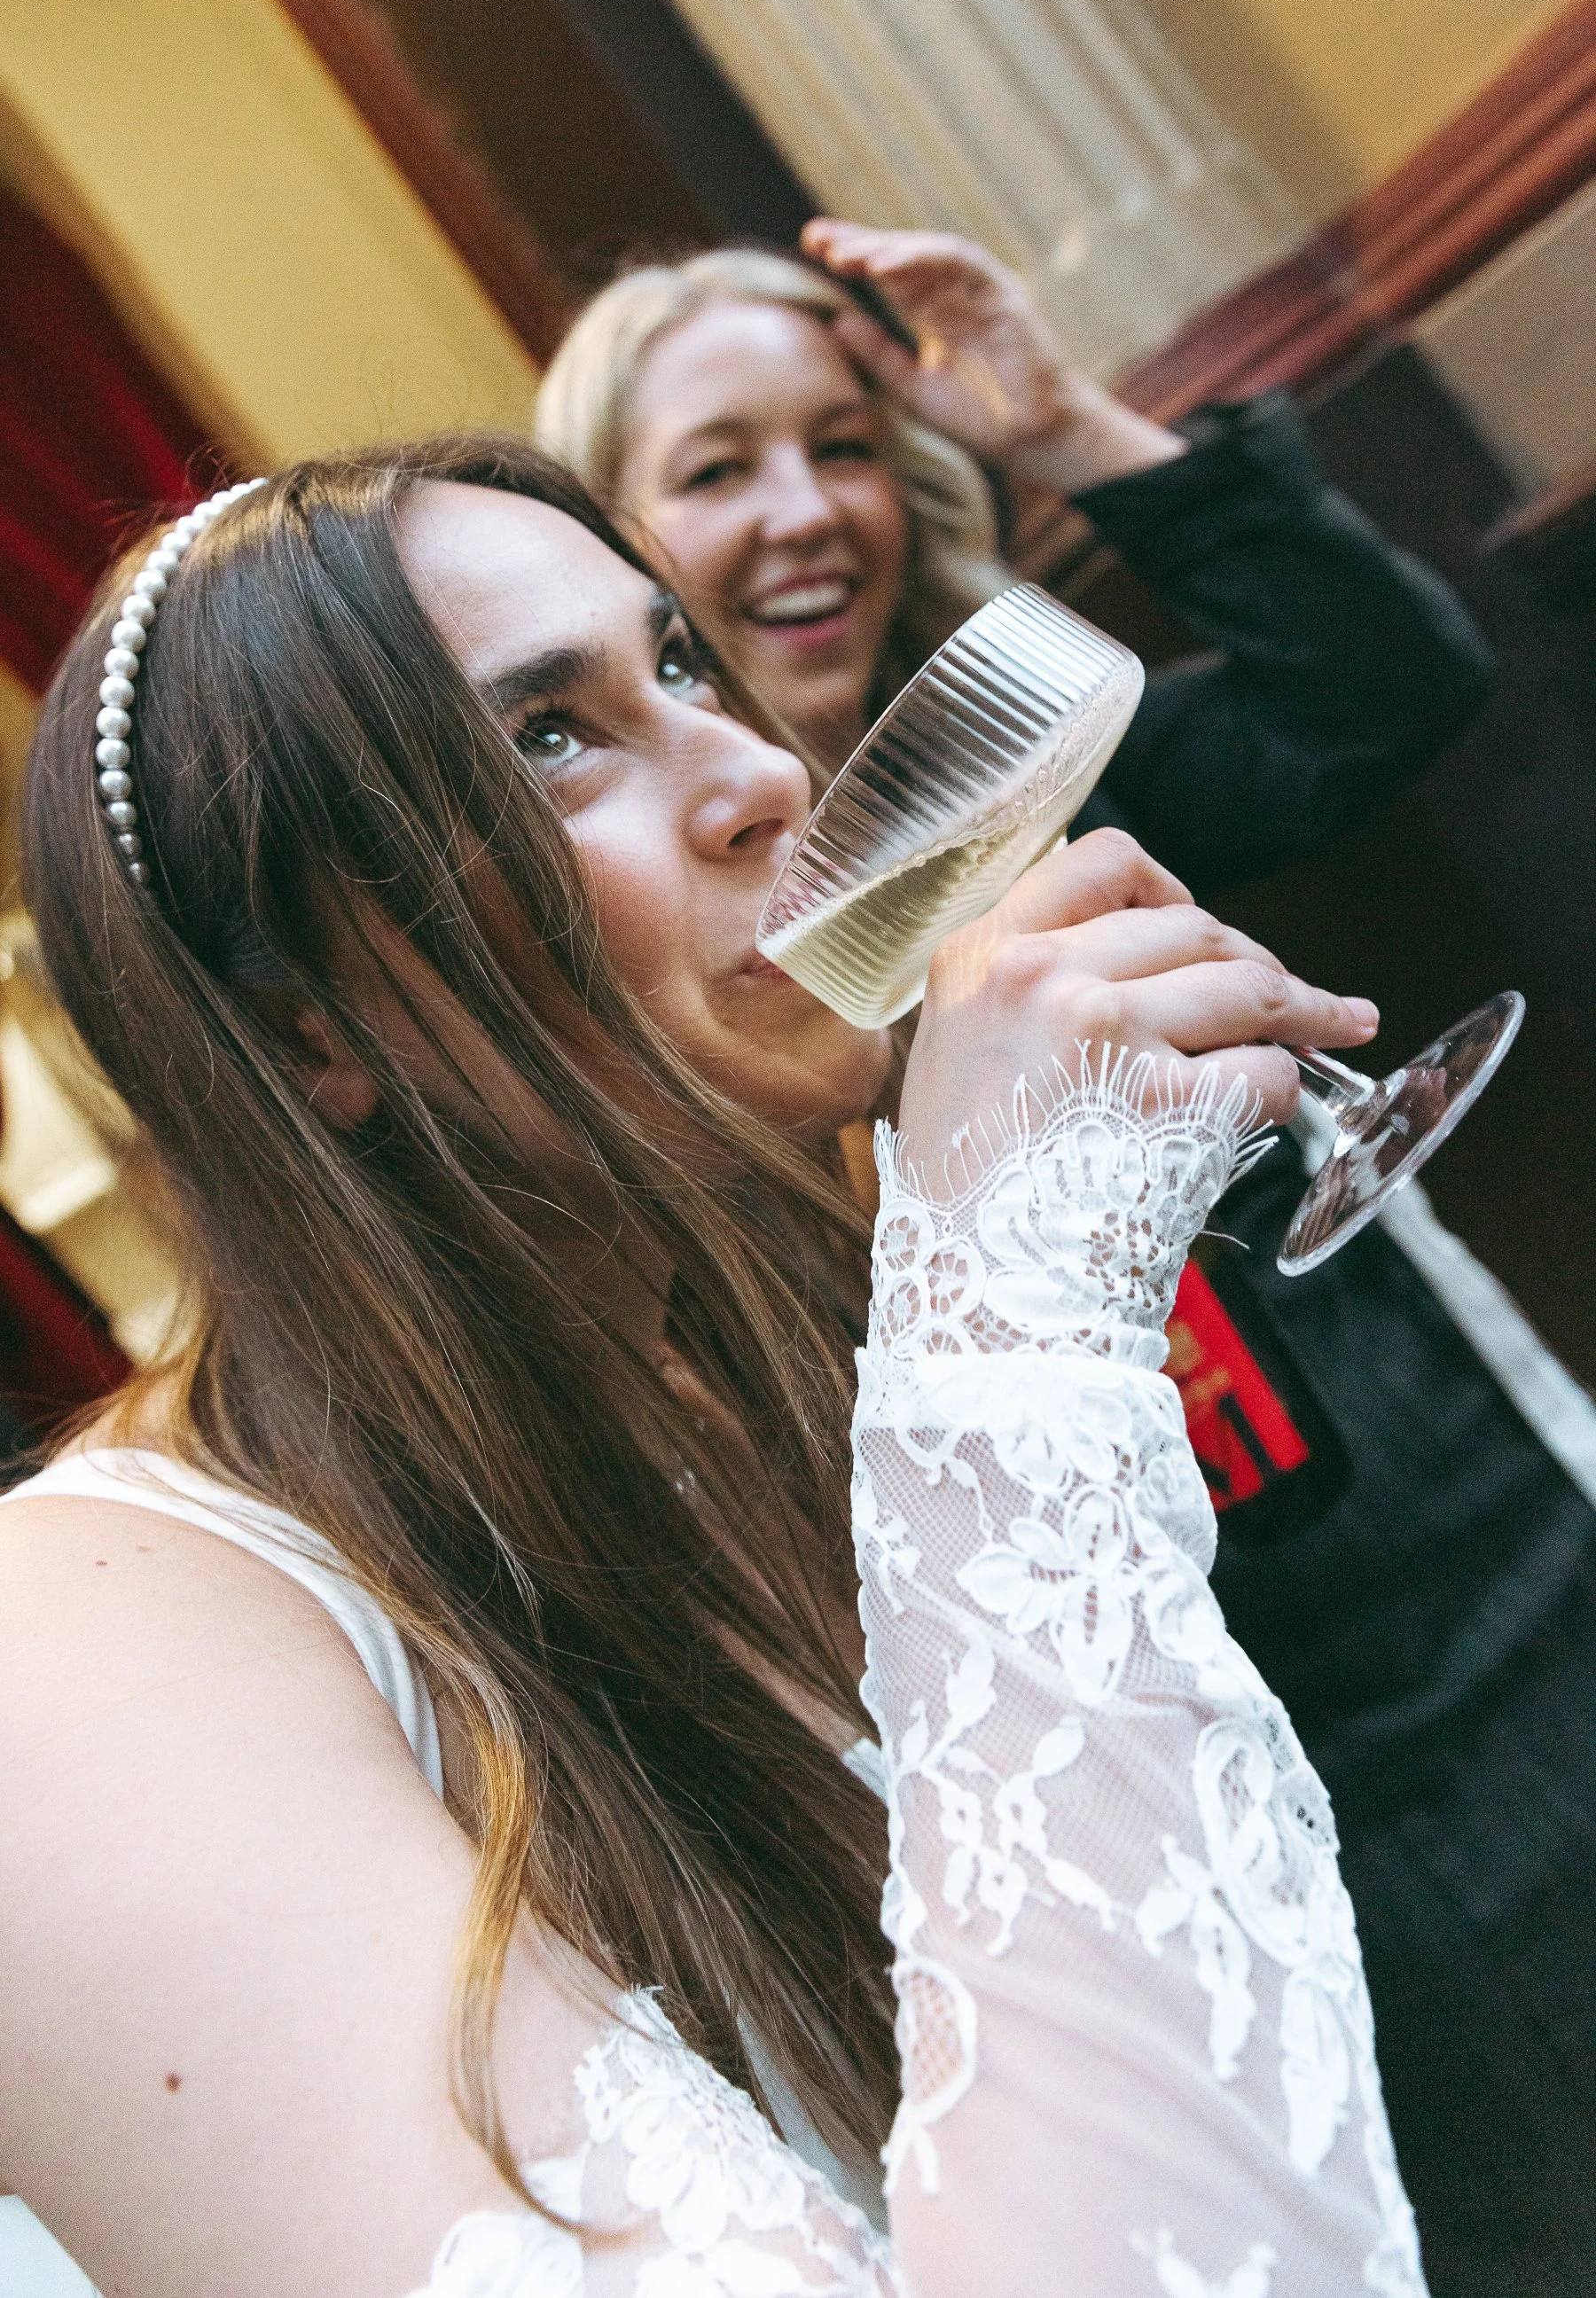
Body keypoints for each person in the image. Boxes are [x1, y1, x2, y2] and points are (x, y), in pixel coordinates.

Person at [0, 440, 1418, 2297]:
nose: (761, 773)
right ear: (306, 1025)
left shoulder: (739, 1387)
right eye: (549, 739)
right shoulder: (76, 1673)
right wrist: (1013, 1345)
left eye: (679, 668)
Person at [532, 225, 1596, 2290]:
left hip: (1512, 1584)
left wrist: (1055, 424)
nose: (804, 507)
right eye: (718, 470)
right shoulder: (694, 989)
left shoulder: (1045, 786)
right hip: (1289, 1772)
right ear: (632, 569)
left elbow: (1385, 683)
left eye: (841, 445)